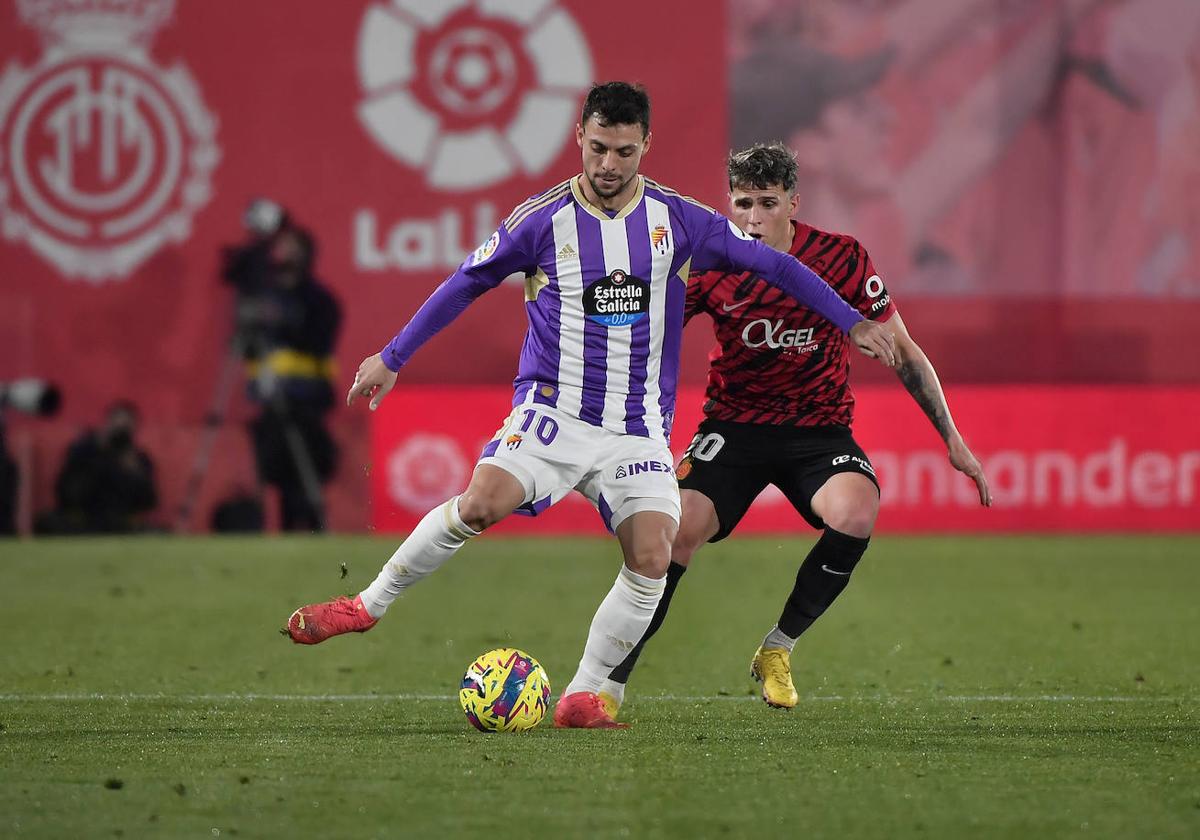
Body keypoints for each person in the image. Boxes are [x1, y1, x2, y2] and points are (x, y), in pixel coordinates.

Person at [283, 83, 897, 729]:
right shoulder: (540, 220)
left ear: (645, 147)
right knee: (481, 503)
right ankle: (366, 606)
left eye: (624, 151)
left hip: (635, 432)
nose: (608, 165)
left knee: (655, 555)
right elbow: (465, 282)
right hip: (555, 413)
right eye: (599, 147)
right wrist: (393, 356)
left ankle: (582, 694)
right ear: (579, 137)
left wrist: (850, 321)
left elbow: (776, 268)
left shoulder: (680, 221)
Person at [596, 143, 992, 717]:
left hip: (819, 431)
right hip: (733, 428)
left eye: (766, 203)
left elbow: (902, 349)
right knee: (671, 535)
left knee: (856, 511)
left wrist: (951, 438)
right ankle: (607, 687)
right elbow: (641, 333)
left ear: (793, 203)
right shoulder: (709, 266)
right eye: (741, 204)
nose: (752, 219)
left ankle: (778, 649)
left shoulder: (843, 259)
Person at [227, 221, 342, 532]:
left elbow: (318, 340)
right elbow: (246, 346)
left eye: (293, 247)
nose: (286, 253)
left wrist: (286, 321)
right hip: (269, 399)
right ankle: (282, 527)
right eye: (282, 246)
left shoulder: (318, 299)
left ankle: (314, 525)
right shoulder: (266, 297)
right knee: (276, 470)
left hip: (307, 398)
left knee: (307, 469)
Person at [36, 401, 158, 534]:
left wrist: (135, 472)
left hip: (121, 524)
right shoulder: (84, 450)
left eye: (125, 427)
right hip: (84, 521)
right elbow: (65, 494)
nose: (120, 431)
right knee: (46, 522)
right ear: (107, 424)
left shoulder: (139, 459)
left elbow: (149, 503)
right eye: (116, 424)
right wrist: (96, 454)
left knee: (157, 533)